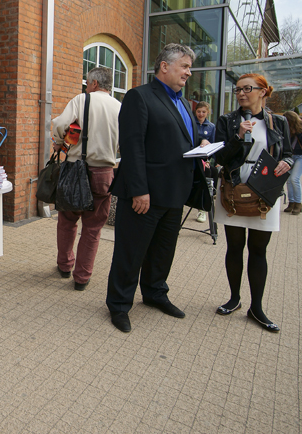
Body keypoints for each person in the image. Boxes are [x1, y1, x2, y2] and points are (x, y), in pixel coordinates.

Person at [106, 43, 200, 332]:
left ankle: (155, 293)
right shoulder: (140, 97)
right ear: (164, 66)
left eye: (190, 67)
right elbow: (132, 147)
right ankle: (119, 304)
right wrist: (139, 190)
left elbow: (179, 140)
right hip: (145, 195)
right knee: (131, 252)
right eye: (185, 66)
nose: (189, 72)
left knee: (163, 251)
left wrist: (202, 145)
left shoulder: (184, 103)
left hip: (174, 192)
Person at [213, 73, 293, 333]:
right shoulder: (227, 121)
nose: (241, 94)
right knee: (234, 247)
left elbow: (289, 154)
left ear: (263, 91)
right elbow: (220, 157)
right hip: (233, 189)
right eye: (237, 90)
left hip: (264, 190)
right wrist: (237, 136)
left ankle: (256, 307)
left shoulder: (278, 122)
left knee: (259, 250)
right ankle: (234, 299)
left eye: (247, 89)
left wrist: (287, 162)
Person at [51, 67, 121, 291]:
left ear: (93, 83)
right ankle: (82, 278)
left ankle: (64, 266)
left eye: (87, 83)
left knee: (67, 220)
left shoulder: (81, 100)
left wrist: (58, 142)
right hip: (104, 172)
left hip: (75, 169)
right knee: (93, 227)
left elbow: (60, 124)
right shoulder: (120, 107)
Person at [194, 101, 215, 223]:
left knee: (206, 178)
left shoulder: (211, 127)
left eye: (203, 112)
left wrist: (208, 160)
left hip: (203, 159)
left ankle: (202, 209)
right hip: (191, 157)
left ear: (207, 113)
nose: (201, 114)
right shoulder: (191, 123)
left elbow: (212, 145)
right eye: (199, 111)